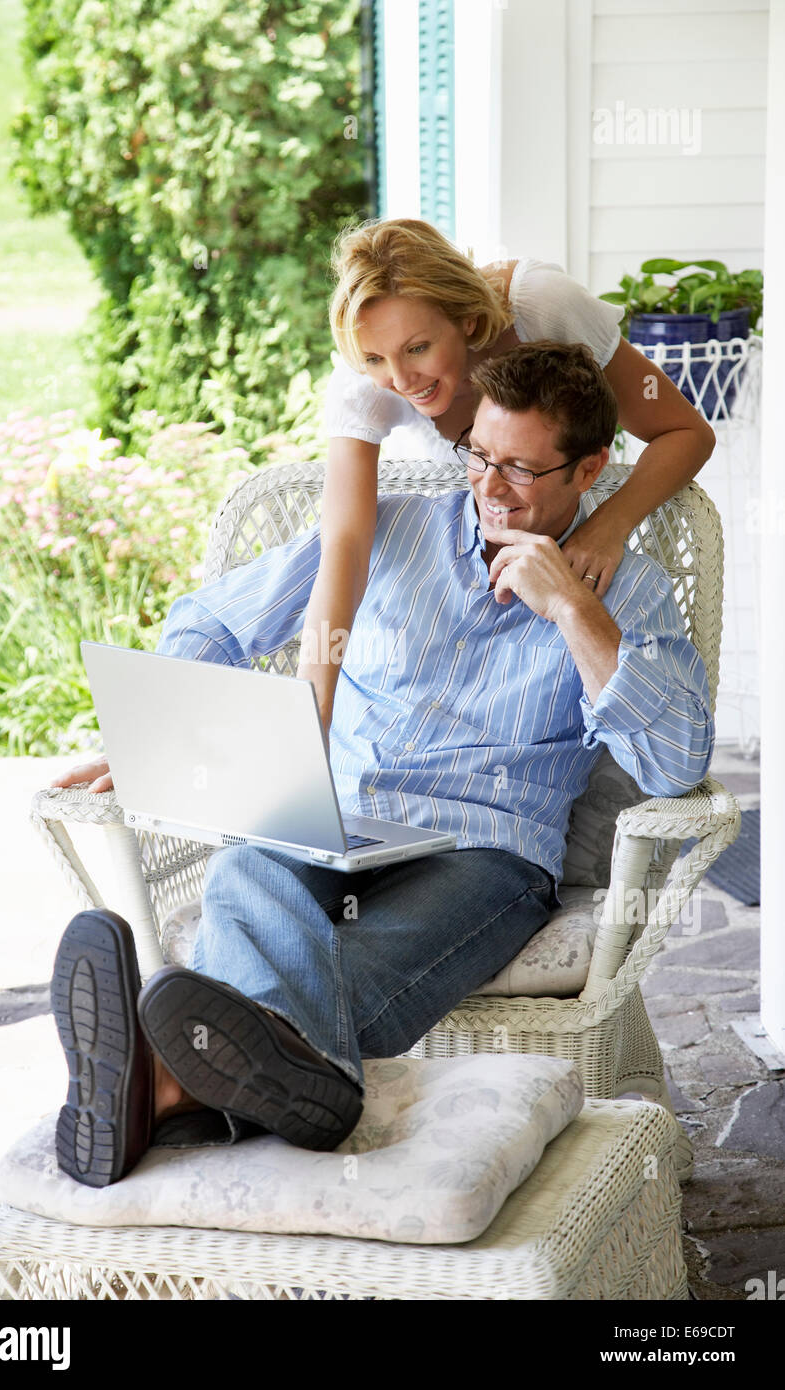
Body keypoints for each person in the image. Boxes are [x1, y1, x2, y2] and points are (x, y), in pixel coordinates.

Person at [50, 342, 713, 1188]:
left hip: (487, 855)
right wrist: (164, 729)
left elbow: (673, 763)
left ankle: (162, 1085)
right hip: (339, 819)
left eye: (520, 468)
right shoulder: (391, 532)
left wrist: (576, 610)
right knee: (248, 866)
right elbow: (212, 621)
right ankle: (249, 1088)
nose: (490, 487)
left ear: (588, 470)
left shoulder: (628, 590)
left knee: (349, 963)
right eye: (479, 455)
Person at [298, 217, 716, 736]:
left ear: (470, 323)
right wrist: (314, 710)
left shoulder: (544, 305)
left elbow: (685, 431)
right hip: (462, 550)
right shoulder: (363, 382)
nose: (401, 381)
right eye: (376, 358)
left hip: (552, 524)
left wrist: (606, 529)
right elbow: (345, 545)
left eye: (418, 348)